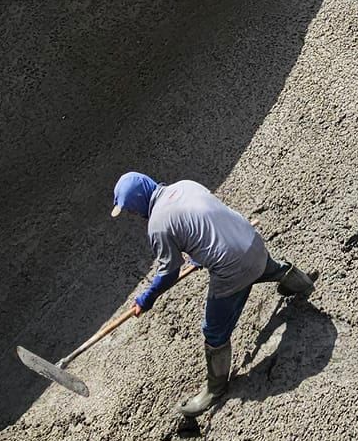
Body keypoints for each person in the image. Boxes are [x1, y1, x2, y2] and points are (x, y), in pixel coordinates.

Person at [111, 172, 315, 415]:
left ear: (137, 201)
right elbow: (207, 221)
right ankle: (300, 281)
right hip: (252, 242)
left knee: (214, 331)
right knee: (263, 267)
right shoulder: (185, 185)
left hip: (233, 269)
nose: (133, 215)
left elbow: (169, 272)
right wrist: (199, 255)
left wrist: (147, 299)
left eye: (131, 210)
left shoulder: (157, 224)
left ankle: (215, 388)